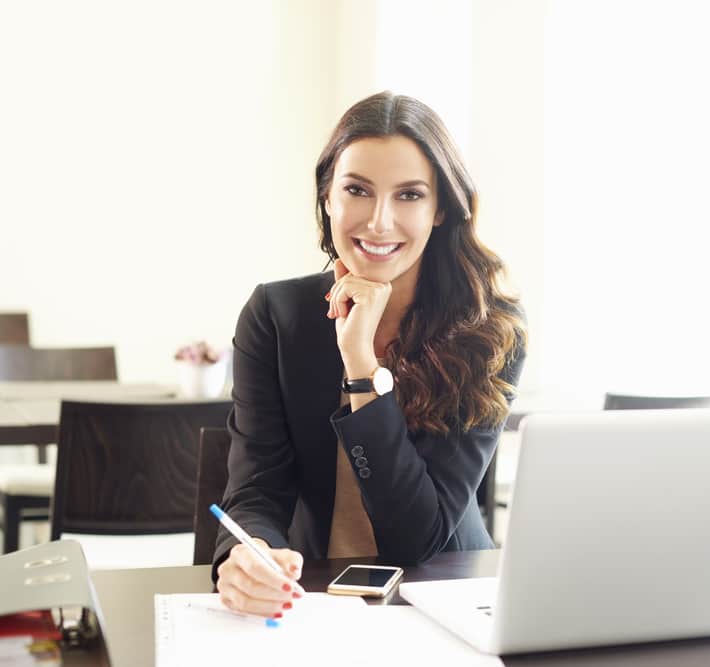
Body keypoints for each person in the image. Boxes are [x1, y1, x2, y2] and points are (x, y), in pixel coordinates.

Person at [213, 91, 527, 619]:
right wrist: (249, 552)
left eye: (409, 195)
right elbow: (256, 489)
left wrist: (361, 367)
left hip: (448, 594)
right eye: (357, 190)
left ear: (441, 209)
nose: (379, 222)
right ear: (327, 197)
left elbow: (416, 538)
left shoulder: (490, 331)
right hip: (314, 592)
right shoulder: (276, 314)